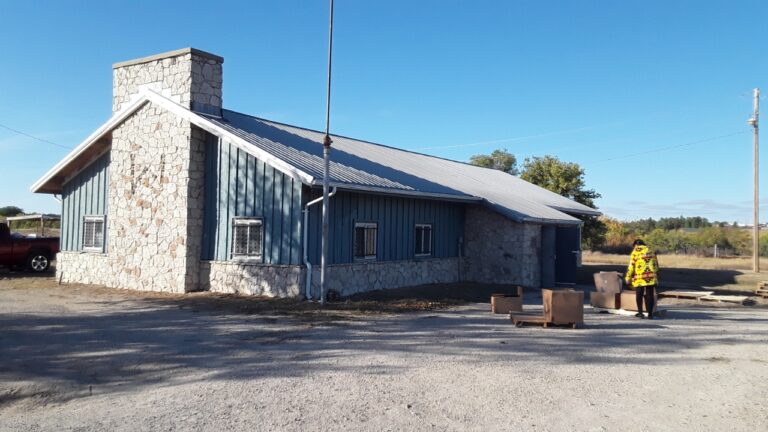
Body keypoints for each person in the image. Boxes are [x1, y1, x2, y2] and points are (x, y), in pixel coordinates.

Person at [624, 239, 659, 319]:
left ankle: (640, 313)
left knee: (639, 294)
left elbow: (631, 266)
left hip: (639, 277)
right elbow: (656, 265)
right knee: (650, 295)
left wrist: (628, 277)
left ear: (635, 245)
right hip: (651, 276)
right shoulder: (651, 250)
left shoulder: (635, 252)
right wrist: (655, 273)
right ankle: (650, 314)